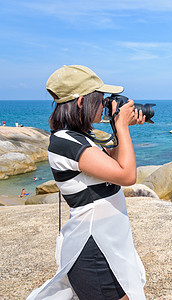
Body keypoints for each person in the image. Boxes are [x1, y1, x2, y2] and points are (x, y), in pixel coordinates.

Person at [27, 65, 146, 300]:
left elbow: (115, 164)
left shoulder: (81, 137)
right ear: (82, 101)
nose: (104, 105)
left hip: (107, 243)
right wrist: (121, 127)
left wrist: (117, 126)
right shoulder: (65, 142)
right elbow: (127, 175)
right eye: (100, 99)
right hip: (92, 249)